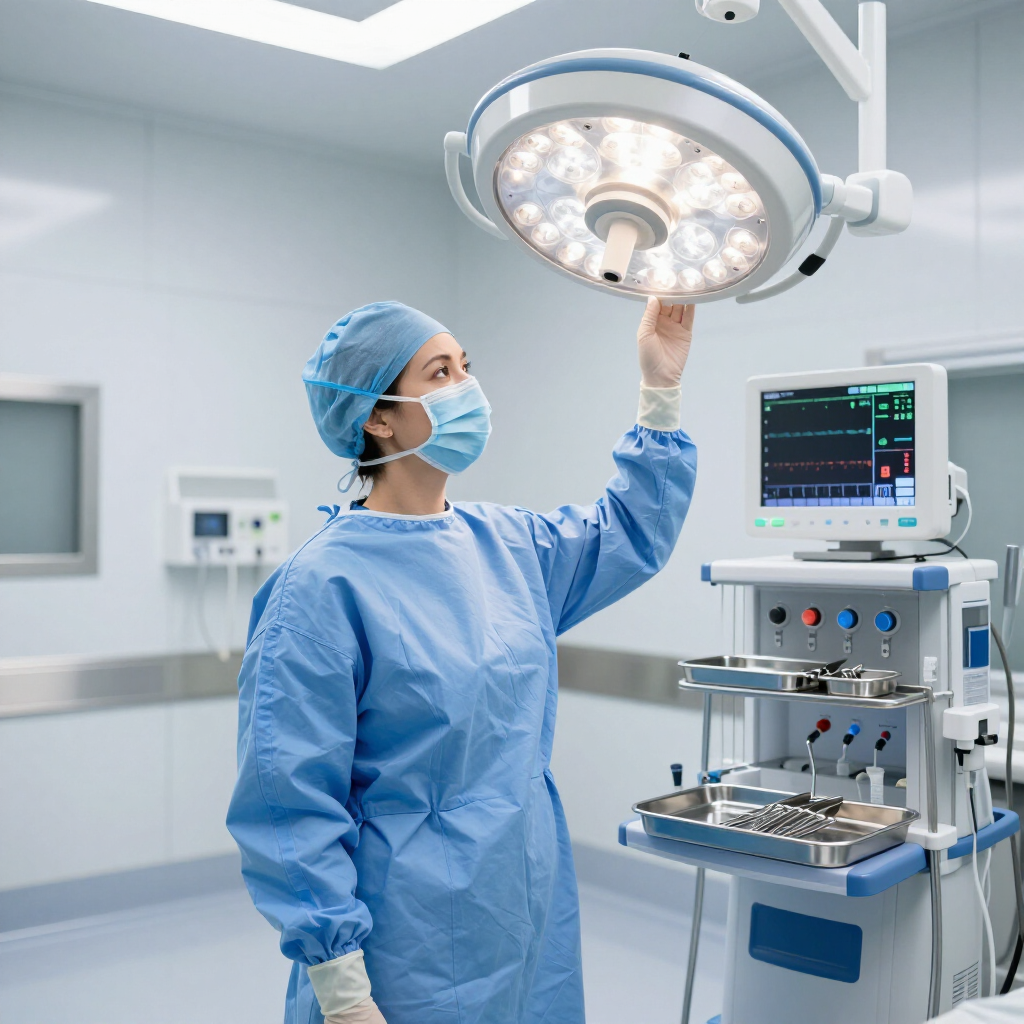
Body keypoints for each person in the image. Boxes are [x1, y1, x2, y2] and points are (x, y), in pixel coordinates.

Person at [227, 297, 699, 1024]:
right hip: (403, 940)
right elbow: (288, 801)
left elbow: (630, 532)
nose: (467, 390)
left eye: (466, 368)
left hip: (523, 905)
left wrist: (660, 387)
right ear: (377, 417)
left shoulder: (511, 547)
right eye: (438, 373)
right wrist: (344, 993)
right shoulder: (319, 588)